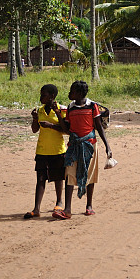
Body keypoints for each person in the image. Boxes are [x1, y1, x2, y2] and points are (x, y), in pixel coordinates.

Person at [41, 80, 112, 219]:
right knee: (70, 175)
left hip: (90, 145)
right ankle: (67, 209)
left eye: (72, 91)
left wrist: (107, 146)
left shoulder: (92, 106)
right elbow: (67, 129)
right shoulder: (71, 108)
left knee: (90, 175)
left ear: (79, 93)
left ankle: (89, 206)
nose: (69, 93)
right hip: (73, 146)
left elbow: (98, 127)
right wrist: (57, 114)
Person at [23, 84, 66, 219]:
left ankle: (59, 202)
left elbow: (66, 130)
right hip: (42, 150)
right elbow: (35, 130)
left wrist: (52, 125)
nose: (41, 97)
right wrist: (35, 119)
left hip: (58, 149)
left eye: (44, 95)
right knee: (40, 179)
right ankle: (36, 208)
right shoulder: (40, 110)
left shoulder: (61, 109)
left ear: (52, 96)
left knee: (58, 177)